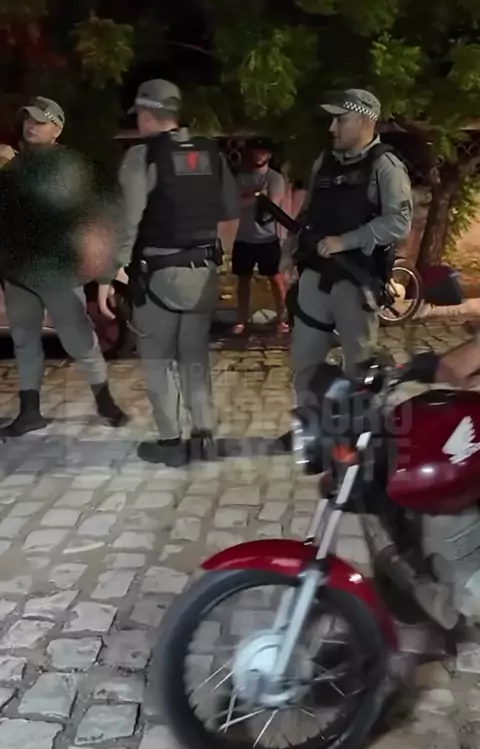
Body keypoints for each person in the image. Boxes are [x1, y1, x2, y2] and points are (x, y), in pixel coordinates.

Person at [98, 79, 240, 467]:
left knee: (158, 360)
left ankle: (171, 443)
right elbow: (231, 215)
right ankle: (204, 437)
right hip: (202, 273)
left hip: (157, 277)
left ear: (147, 115)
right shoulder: (211, 153)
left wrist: (109, 276)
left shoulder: (141, 157)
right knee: (194, 358)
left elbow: (128, 223)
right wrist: (218, 258)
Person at [0, 96, 127, 437]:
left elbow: (70, 210)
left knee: (79, 340)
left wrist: (106, 269)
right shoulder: (14, 165)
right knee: (25, 342)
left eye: (39, 121)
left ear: (56, 129)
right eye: (27, 120)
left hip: (57, 272)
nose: (30, 126)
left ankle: (105, 401)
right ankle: (29, 412)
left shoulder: (66, 165)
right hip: (19, 271)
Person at [283, 89, 413, 406]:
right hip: (315, 277)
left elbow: (399, 222)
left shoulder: (385, 166)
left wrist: (345, 241)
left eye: (340, 120)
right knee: (304, 364)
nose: (332, 128)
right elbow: (307, 213)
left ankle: (362, 427)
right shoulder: (324, 162)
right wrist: (288, 250)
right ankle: (309, 423)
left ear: (364, 121)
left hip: (356, 282)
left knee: (360, 369)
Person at [231, 139, 287, 334]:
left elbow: (272, 203)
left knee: (276, 280)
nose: (259, 155)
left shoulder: (275, 178)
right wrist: (256, 195)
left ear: (269, 155)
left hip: (268, 238)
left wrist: (251, 197)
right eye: (255, 151)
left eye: (263, 152)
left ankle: (282, 318)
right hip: (243, 238)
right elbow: (235, 203)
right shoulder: (240, 178)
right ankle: (241, 319)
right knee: (242, 281)